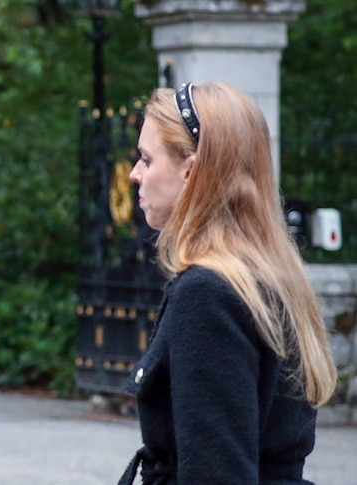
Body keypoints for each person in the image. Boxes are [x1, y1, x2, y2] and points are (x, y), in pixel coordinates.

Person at [118, 81, 338, 484]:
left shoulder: (210, 292)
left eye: (147, 160)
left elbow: (216, 474)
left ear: (191, 171)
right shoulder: (266, 278)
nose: (135, 174)